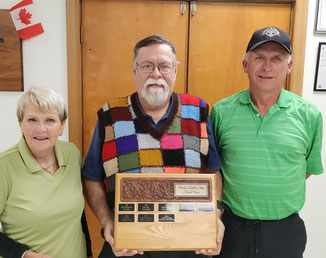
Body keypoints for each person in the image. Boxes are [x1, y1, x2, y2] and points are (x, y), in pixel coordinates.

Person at [82, 34, 225, 258]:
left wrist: (214, 217)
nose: (156, 74)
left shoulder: (198, 111)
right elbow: (91, 177)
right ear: (134, 71)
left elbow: (214, 170)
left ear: (175, 71)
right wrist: (106, 220)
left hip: (187, 244)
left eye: (164, 66)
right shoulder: (110, 116)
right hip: (127, 245)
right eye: (147, 66)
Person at [210, 26, 324, 258]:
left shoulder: (309, 115)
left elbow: (306, 169)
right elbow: (214, 169)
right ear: (246, 64)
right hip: (232, 229)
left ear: (289, 66)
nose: (267, 67)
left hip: (284, 231)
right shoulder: (221, 111)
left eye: (277, 58)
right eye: (259, 57)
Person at [0, 86, 92, 258]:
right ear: (20, 123)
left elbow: (78, 216)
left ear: (62, 124)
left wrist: (88, 253)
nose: (41, 129)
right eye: (32, 120)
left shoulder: (72, 154)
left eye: (50, 120)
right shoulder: (3, 166)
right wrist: (23, 254)